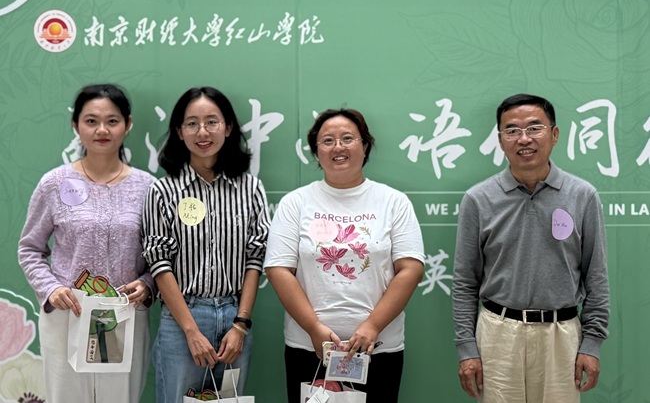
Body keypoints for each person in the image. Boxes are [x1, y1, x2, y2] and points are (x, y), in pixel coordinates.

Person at [452, 93, 610, 402]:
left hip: (562, 335)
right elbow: (465, 281)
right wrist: (467, 349)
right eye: (512, 130)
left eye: (535, 128)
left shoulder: (583, 196)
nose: (524, 139)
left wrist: (592, 343)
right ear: (501, 140)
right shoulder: (478, 199)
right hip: (498, 334)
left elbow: (596, 276)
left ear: (554, 134)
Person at [264, 108, 425, 403]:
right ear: (316, 151)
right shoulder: (295, 203)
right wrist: (314, 329)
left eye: (348, 138)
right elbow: (278, 269)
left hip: (378, 347)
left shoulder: (393, 202)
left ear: (365, 146)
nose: (338, 147)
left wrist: (372, 326)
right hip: (309, 348)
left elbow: (410, 269)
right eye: (327, 141)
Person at [17, 83, 156, 403]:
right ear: (75, 125)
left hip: (123, 314)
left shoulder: (148, 188)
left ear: (128, 125)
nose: (102, 130)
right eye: (91, 121)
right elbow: (30, 248)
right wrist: (51, 288)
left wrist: (147, 284)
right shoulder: (54, 183)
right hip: (69, 313)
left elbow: (160, 256)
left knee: (120, 398)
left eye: (112, 121)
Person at [142, 86, 270, 402]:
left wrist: (241, 324)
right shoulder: (163, 191)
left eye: (212, 122)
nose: (203, 132)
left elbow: (255, 259)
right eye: (192, 123)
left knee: (229, 399)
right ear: (179, 131)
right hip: (183, 318)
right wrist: (191, 331)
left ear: (228, 128)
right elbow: (160, 264)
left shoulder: (250, 189)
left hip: (234, 317)